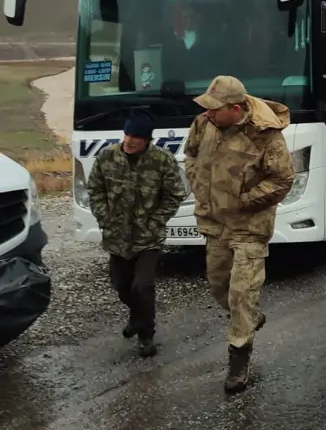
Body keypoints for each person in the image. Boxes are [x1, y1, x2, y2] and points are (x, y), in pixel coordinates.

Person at [184, 75, 294, 393]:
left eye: (215, 109)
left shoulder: (265, 134)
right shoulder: (203, 124)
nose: (208, 113)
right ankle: (250, 318)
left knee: (241, 293)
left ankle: (238, 358)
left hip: (250, 226)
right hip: (215, 222)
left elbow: (282, 179)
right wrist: (198, 183)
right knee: (219, 286)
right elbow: (190, 154)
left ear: (235, 109)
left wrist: (243, 200)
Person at [87, 108, 186, 357]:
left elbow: (174, 195)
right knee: (121, 286)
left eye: (136, 137)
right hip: (117, 236)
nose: (129, 141)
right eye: (127, 135)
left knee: (142, 286)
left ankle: (146, 335)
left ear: (147, 140)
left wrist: (155, 222)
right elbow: (95, 189)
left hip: (147, 238)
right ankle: (137, 315)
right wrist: (104, 217)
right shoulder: (107, 157)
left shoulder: (162, 160)